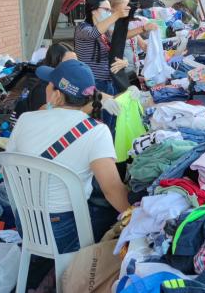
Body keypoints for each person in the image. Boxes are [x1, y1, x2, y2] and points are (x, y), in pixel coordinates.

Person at [7, 60, 130, 252]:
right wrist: (136, 218)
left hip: (26, 224)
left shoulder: (25, 120)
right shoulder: (96, 131)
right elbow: (112, 190)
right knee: (107, 212)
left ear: (56, 94)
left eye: (49, 84)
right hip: (63, 231)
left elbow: (9, 162)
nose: (45, 87)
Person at [13, 42, 77, 118]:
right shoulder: (42, 89)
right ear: (55, 63)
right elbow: (43, 120)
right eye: (68, 63)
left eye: (76, 62)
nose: (75, 66)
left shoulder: (67, 81)